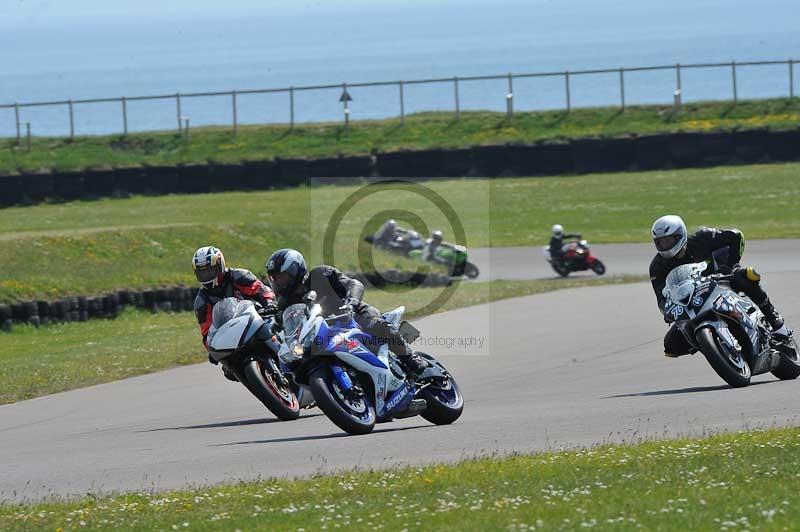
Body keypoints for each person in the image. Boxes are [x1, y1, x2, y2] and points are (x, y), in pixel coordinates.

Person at [265, 248, 433, 377]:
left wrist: (351, 303)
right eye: (275, 279)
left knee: (376, 324)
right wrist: (275, 326)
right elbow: (286, 325)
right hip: (324, 335)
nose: (279, 282)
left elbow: (354, 284)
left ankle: (409, 358)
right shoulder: (286, 303)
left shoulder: (321, 274)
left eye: (282, 277)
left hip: (352, 315)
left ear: (296, 270)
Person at [649, 215, 790, 358]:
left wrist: (730, 266)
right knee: (671, 345)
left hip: (721, 281)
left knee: (745, 276)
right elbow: (661, 297)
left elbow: (736, 236)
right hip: (692, 301)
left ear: (680, 235)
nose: (664, 245)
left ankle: (776, 322)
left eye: (668, 240)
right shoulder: (657, 267)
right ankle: (716, 346)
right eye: (660, 242)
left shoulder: (702, 237)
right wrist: (668, 311)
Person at [192, 246, 277, 378]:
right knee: (228, 369)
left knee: (272, 331)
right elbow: (206, 332)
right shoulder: (201, 302)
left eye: (210, 270)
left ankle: (288, 359)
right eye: (202, 272)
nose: (206, 275)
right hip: (232, 335)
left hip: (258, 317)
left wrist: (269, 303)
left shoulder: (238, 275)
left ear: (220, 265)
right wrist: (211, 349)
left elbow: (260, 290)